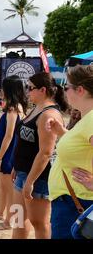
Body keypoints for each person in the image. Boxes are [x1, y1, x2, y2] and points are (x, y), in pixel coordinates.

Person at [11, 72, 68, 239]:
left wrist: (30, 182)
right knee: (18, 220)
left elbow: (45, 153)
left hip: (38, 178)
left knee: (39, 223)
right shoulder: (37, 108)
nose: (28, 92)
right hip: (23, 173)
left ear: (42, 90)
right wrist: (17, 166)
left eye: (30, 88)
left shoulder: (48, 115)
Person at [45, 65, 93, 239]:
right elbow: (82, 148)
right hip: (72, 201)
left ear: (80, 90)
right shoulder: (86, 117)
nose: (64, 91)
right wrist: (61, 133)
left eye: (66, 87)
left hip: (75, 202)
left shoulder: (91, 118)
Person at [0, 75, 27, 230]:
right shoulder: (17, 106)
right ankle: (0, 211)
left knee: (8, 187)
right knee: (3, 184)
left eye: (3, 88)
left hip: (8, 153)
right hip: (9, 151)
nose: (1, 90)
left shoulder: (13, 109)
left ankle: (8, 222)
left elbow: (9, 135)